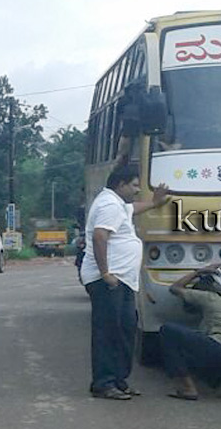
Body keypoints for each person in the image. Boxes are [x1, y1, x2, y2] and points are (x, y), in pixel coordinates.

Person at [81, 147, 169, 400]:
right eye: (134, 185)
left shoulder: (118, 204)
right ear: (120, 185)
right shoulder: (109, 205)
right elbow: (100, 236)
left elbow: (134, 209)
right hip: (109, 281)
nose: (137, 189)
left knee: (125, 329)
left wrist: (154, 203)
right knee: (109, 332)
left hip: (123, 281)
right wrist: (106, 272)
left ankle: (119, 380)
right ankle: (104, 383)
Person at [160, 263, 221, 401]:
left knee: (168, 330)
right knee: (191, 352)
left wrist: (198, 272)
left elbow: (175, 288)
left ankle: (188, 388)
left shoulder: (208, 296)